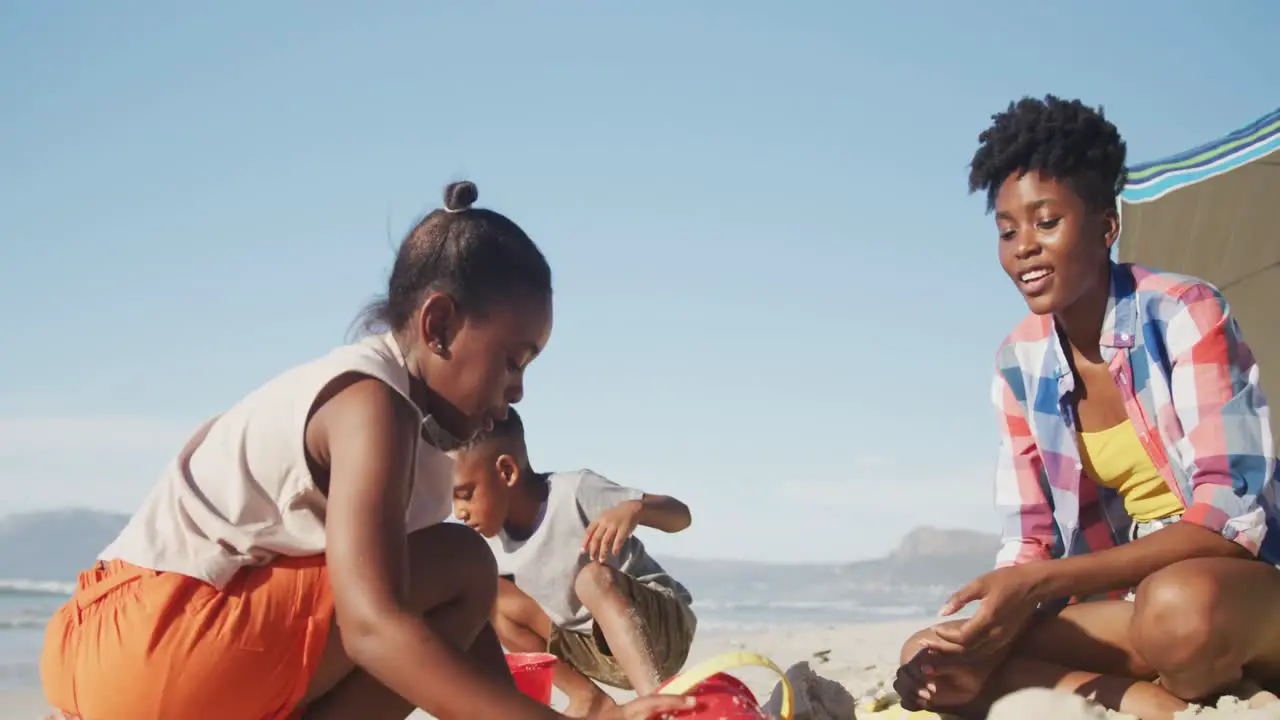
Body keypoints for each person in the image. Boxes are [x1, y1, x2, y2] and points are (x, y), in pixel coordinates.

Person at [38, 181, 695, 720]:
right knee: (461, 563)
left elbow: (456, 632)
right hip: (150, 642)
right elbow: (374, 627)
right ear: (438, 326)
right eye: (511, 362)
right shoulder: (370, 404)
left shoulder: (409, 430)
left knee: (459, 576)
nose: (516, 392)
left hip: (118, 656)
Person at [894, 96, 1280, 720]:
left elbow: (1231, 523)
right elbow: (1030, 545)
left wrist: (1044, 584)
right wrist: (998, 609)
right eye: (1007, 230)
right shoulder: (1017, 366)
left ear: (1105, 227)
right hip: (1131, 606)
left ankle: (1178, 673)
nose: (1023, 247)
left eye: (1046, 222)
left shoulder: (1183, 312)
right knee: (934, 658)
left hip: (1239, 589)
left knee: (1178, 608)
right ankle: (1148, 701)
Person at [451, 408, 697, 718]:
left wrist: (636, 508)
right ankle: (591, 700)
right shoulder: (490, 546)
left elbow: (681, 517)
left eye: (465, 494)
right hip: (595, 649)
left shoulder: (573, 492)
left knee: (590, 579)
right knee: (491, 597)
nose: (458, 511)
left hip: (660, 629)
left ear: (506, 472)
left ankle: (658, 703)